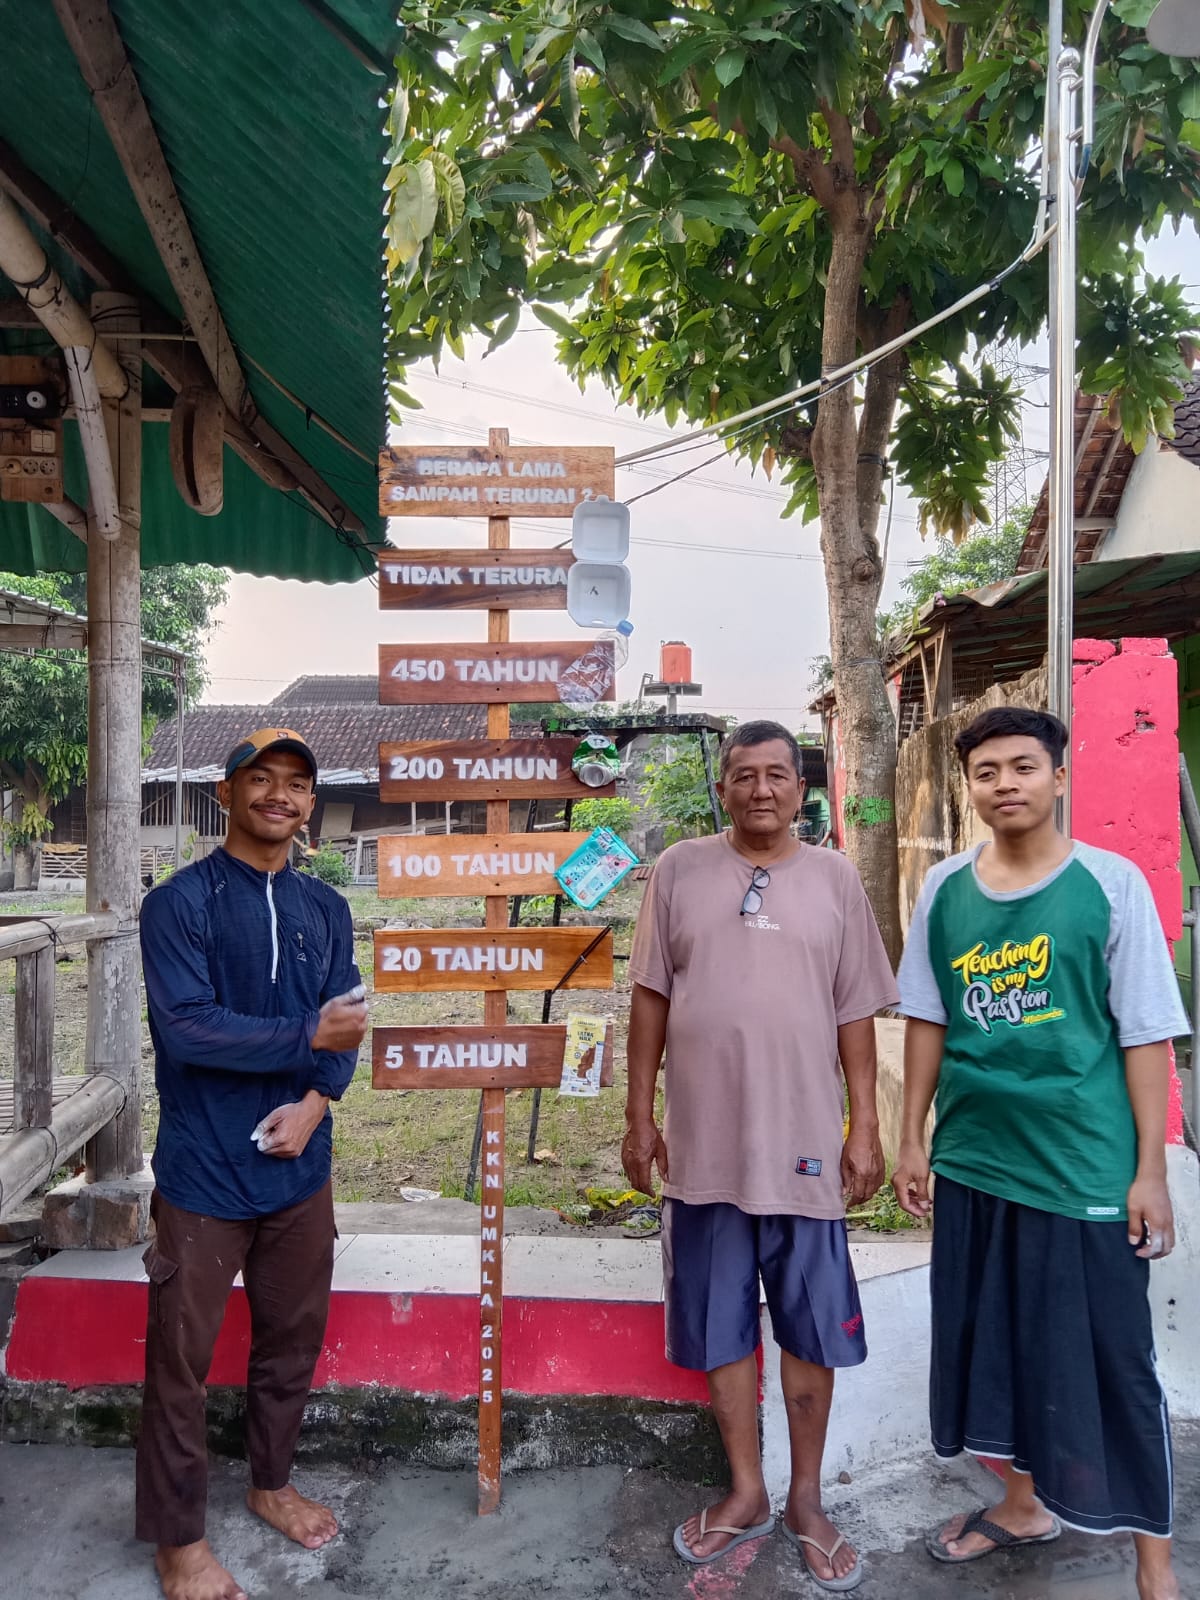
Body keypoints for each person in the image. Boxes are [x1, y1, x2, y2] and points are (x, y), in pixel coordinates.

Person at [893, 706, 1189, 1600]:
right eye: (987, 772)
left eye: (1024, 767)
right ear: (969, 787)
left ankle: (1156, 1568)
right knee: (999, 1346)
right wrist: (912, 1138)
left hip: (1082, 1172)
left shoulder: (1110, 882)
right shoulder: (945, 889)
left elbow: (1145, 1036)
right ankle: (1023, 1505)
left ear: (1059, 777)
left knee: (1112, 1363)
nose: (1006, 784)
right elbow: (928, 1017)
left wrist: (1150, 1172)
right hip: (978, 1162)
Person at [624, 719, 897, 1592]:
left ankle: (807, 1499)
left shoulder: (835, 878)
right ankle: (745, 1490)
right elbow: (650, 1002)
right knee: (720, 1325)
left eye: (778, 774)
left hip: (806, 1146)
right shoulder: (678, 871)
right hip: (703, 1148)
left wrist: (865, 1126)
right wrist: (639, 1117)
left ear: (800, 785)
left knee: (810, 1325)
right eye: (744, 775)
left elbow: (857, 1011)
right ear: (724, 788)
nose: (761, 790)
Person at [136, 727, 369, 1600]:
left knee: (290, 1341)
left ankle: (269, 1483)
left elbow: (346, 1022)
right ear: (225, 794)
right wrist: (307, 1034)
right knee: (180, 1365)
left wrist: (315, 1103)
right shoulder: (181, 902)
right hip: (204, 1173)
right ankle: (177, 1542)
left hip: (299, 1172)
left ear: (311, 804)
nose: (280, 795)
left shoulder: (325, 908)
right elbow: (186, 1028)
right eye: (260, 779)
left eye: (296, 784)